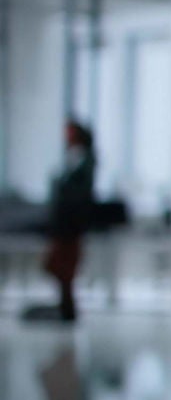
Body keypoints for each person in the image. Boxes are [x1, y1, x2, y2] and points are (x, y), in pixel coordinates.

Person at [25, 120, 97, 323]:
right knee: (59, 267)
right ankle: (66, 307)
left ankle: (67, 308)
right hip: (63, 224)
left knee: (63, 267)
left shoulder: (85, 161)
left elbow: (77, 193)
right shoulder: (75, 159)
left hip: (70, 225)